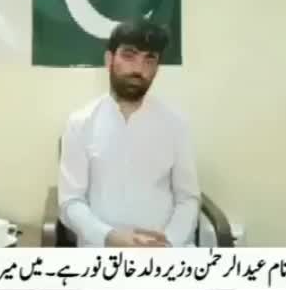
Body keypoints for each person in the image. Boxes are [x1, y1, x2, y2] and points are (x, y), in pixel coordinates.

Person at [58, 20, 200, 247]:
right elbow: (70, 202)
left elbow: (188, 199)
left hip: (165, 250)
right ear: (109, 60)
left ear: (157, 69)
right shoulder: (80, 123)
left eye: (149, 60)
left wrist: (168, 244)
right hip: (102, 248)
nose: (139, 69)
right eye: (129, 56)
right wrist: (111, 237)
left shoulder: (176, 123)